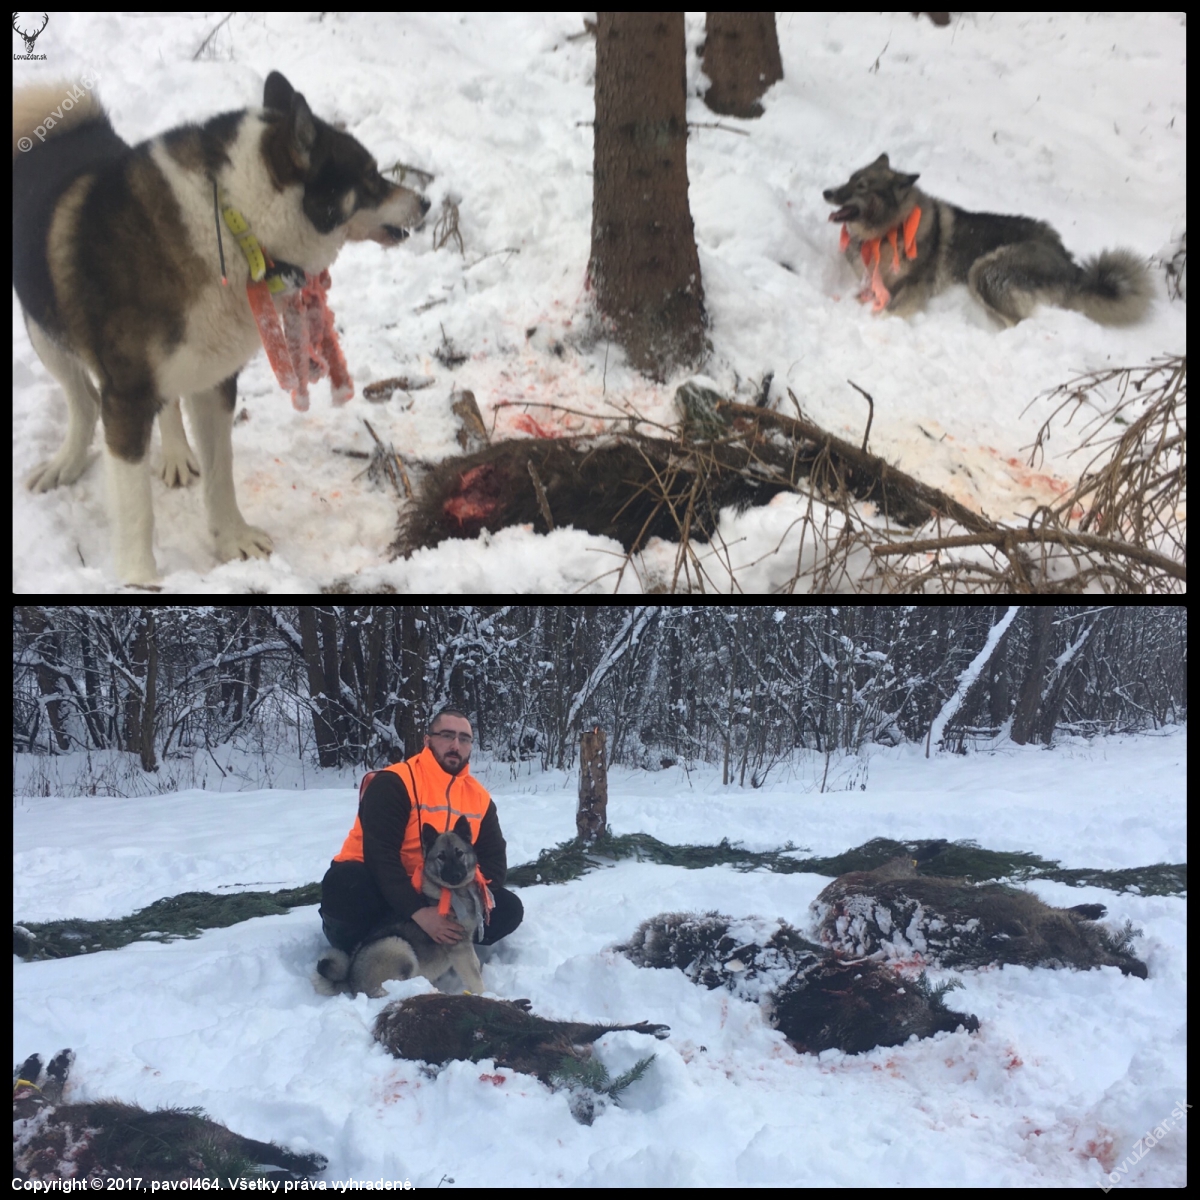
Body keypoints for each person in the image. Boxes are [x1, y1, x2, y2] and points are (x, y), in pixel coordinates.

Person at [319, 707, 523, 954]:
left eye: (464, 739)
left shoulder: (479, 797)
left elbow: (494, 862)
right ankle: (365, 948)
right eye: (447, 735)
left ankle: (432, 945)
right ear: (428, 740)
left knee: (508, 908)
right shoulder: (395, 781)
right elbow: (380, 856)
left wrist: (455, 901)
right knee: (346, 885)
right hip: (381, 884)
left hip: (437, 890)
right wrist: (419, 912)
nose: (455, 745)